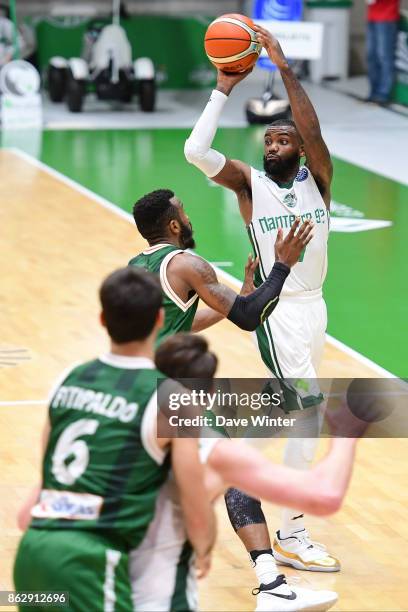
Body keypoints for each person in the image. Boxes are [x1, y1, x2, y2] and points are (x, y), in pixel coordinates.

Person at [184, 22, 338, 596]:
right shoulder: (250, 185)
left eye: (282, 140)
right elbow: (195, 151)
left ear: (298, 147)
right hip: (279, 309)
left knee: (300, 413)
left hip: (316, 308)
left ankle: (236, 447)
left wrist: (280, 61)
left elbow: (313, 124)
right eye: (268, 141)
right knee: (311, 410)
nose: (272, 145)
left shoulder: (318, 181)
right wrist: (223, 88)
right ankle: (290, 529)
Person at [14, 267, 216, 612]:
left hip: (32, 554)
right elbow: (194, 506)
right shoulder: (172, 398)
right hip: (90, 564)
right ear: (158, 319)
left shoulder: (69, 378)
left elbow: (46, 478)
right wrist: (205, 545)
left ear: (103, 318)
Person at [130, 332, 366, 612]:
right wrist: (346, 433)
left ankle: (272, 586)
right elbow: (325, 496)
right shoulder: (208, 436)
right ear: (211, 392)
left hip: (78, 552)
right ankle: (272, 585)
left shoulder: (118, 402)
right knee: (238, 485)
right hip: (140, 577)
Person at [129, 188, 313, 344]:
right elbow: (248, 316)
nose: (188, 217)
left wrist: (234, 302)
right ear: (174, 226)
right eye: (183, 211)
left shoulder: (134, 266)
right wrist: (283, 264)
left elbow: (176, 325)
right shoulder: (187, 265)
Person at [366, 0, 400, 104]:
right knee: (371, 56)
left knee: (385, 57)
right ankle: (374, 92)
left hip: (387, 18)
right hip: (372, 17)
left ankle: (383, 94)